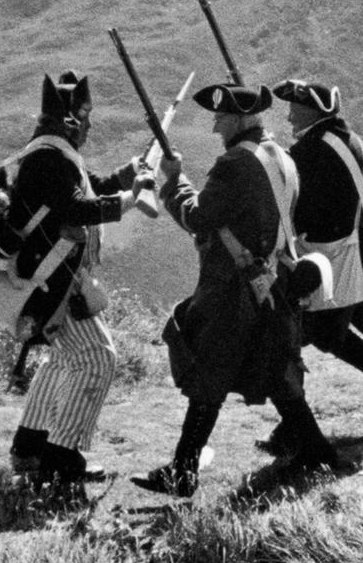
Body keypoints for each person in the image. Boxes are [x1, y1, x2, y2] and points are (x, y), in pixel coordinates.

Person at [135, 82, 334, 498]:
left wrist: (175, 181)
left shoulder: (234, 165)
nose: (215, 127)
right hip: (272, 284)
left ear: (241, 119)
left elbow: (198, 218)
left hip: (232, 292)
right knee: (277, 373)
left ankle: (183, 473)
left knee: (209, 373)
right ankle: (316, 452)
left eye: (222, 118)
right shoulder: (281, 156)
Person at [0, 71, 147, 486]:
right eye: (85, 115)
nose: (90, 124)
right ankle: (62, 456)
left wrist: (133, 171)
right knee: (99, 357)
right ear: (70, 121)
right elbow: (77, 208)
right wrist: (132, 199)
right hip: (54, 282)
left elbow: (89, 187)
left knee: (64, 359)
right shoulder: (49, 158)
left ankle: (29, 447)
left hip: (52, 279)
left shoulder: (51, 154)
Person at [271, 79, 363, 426]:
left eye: (296, 108)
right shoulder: (351, 142)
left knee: (294, 333)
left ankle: (294, 425)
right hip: (346, 247)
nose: (290, 116)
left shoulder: (313, 149)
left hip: (326, 255)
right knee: (325, 334)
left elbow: (292, 194)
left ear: (312, 110)